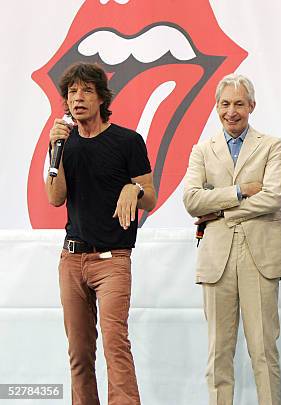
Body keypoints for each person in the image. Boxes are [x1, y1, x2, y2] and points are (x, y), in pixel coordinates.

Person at [183, 73, 281, 405]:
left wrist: (220, 211)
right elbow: (191, 199)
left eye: (238, 104)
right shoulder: (203, 150)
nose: (231, 111)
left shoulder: (272, 145)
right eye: (224, 104)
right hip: (216, 259)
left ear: (251, 106)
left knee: (263, 350)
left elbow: (274, 196)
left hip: (260, 257)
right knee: (218, 352)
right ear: (216, 107)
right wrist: (239, 191)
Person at [45, 62, 157, 405]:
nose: (77, 98)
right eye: (72, 92)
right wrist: (55, 151)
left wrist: (132, 189)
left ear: (100, 98)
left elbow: (149, 194)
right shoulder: (65, 142)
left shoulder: (127, 141)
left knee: (114, 344)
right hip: (72, 258)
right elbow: (54, 197)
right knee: (79, 353)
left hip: (112, 260)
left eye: (86, 91)